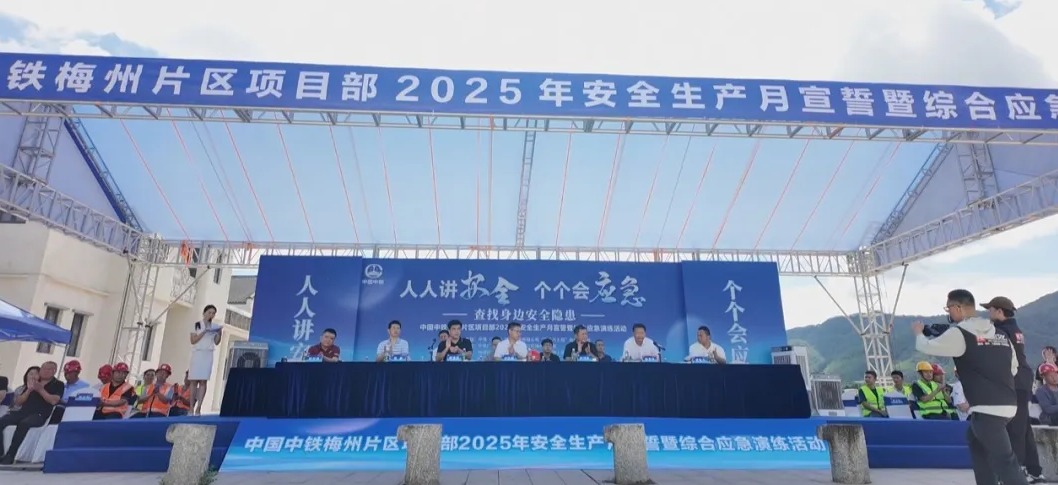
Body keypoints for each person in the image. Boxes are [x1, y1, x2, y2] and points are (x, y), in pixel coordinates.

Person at [913, 289, 1027, 485]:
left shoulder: (960, 333)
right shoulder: (1001, 334)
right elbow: (1013, 369)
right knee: (976, 444)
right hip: (1008, 403)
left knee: (1006, 462)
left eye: (949, 308)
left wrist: (918, 332)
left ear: (958, 307)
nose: (948, 312)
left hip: (986, 408)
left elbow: (927, 346)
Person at [984, 296, 1045, 483]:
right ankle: (1034, 470)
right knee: (1023, 426)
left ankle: (1016, 472)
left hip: (1014, 381)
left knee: (1015, 428)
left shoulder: (1001, 331)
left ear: (1000, 311)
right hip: (1023, 380)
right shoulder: (1014, 329)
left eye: (990, 309)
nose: (988, 313)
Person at [0, 361, 64, 464]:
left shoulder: (58, 384)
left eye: (48, 369)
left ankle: (11, 455)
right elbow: (18, 402)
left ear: (54, 371)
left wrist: (40, 390)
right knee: (2, 421)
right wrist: (29, 390)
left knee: (24, 424)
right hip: (23, 412)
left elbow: (53, 401)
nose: (45, 371)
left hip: (40, 415)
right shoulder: (34, 382)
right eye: (43, 369)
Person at [189, 304, 222, 416]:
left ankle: (199, 407)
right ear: (204, 313)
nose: (211, 315)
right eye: (209, 312)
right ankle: (191, 407)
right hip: (198, 353)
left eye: (213, 313)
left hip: (208, 354)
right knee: (194, 381)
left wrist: (219, 333)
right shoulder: (197, 325)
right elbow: (193, 340)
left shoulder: (215, 326)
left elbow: (216, 342)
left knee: (203, 381)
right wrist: (204, 332)